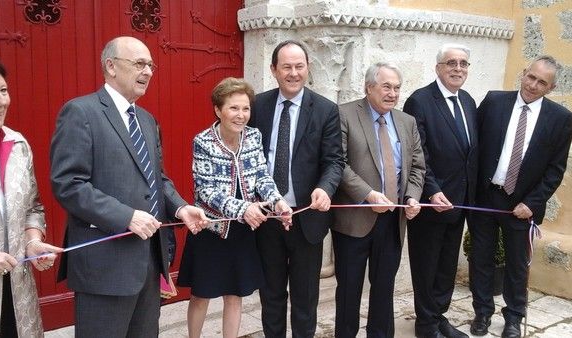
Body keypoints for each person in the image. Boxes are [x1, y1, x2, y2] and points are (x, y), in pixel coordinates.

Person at [50, 36, 208, 337]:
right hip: (104, 267)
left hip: (148, 264)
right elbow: (68, 184)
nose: (147, 71)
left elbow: (156, 179)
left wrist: (181, 207)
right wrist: (126, 216)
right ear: (110, 66)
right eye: (139, 64)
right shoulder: (80, 112)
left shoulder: (146, 120)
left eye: (151, 65)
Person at [178, 77, 293, 338]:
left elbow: (262, 176)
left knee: (235, 294)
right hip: (210, 230)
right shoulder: (203, 141)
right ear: (218, 110)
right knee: (201, 294)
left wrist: (277, 201)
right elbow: (204, 191)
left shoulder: (254, 136)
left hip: (242, 231)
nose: (241, 115)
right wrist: (243, 209)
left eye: (245, 108)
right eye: (233, 108)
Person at [469, 55, 572, 338]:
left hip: (522, 204)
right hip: (485, 198)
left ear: (550, 88)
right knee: (481, 258)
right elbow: (473, 146)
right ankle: (482, 312)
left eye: (542, 82)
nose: (533, 85)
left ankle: (514, 317)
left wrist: (532, 203)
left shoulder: (561, 119)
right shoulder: (493, 102)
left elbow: (555, 170)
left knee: (517, 264)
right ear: (523, 73)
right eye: (531, 77)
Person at [249, 40, 344, 337]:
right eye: (286, 67)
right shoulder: (257, 106)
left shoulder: (326, 109)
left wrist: (325, 189)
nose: (293, 73)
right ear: (274, 70)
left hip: (307, 219)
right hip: (267, 220)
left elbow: (334, 161)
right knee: (271, 296)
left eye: (299, 66)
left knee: (305, 300)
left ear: (308, 68)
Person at [0, 51, 62, 337]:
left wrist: (33, 241)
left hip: (17, 298)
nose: (0, 101)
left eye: (3, 90)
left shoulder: (17, 145)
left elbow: (33, 207)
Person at [332, 62, 425, 338]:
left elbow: (418, 166)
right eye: (386, 86)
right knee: (349, 291)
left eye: (397, 88)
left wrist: (413, 197)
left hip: (393, 221)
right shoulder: (345, 114)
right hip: (354, 221)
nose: (392, 93)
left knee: (384, 289)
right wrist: (367, 194)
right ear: (368, 87)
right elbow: (339, 163)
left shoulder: (407, 122)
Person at [403, 43, 477, 338]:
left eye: (463, 64)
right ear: (438, 68)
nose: (458, 68)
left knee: (447, 264)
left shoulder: (468, 101)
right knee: (427, 264)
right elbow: (417, 155)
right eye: (451, 63)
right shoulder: (420, 101)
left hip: (459, 202)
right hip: (431, 202)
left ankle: (439, 316)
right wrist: (432, 191)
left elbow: (470, 153)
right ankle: (425, 324)